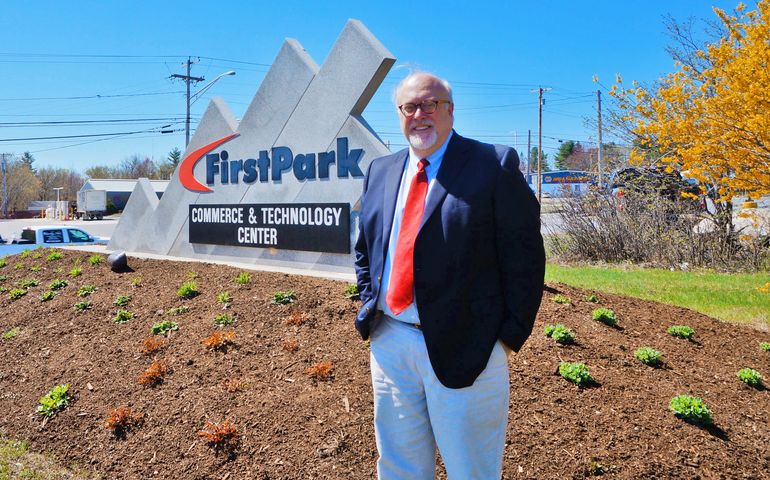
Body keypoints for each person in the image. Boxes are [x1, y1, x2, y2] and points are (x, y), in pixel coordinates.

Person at [354, 71, 545, 479]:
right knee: (399, 465)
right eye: (410, 107)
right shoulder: (380, 170)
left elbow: (525, 257)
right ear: (399, 114)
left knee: (470, 469)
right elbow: (366, 248)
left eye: (430, 104)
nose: (419, 114)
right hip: (391, 341)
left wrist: (507, 338)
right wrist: (371, 306)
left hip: (468, 346)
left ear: (450, 111)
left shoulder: (492, 165)